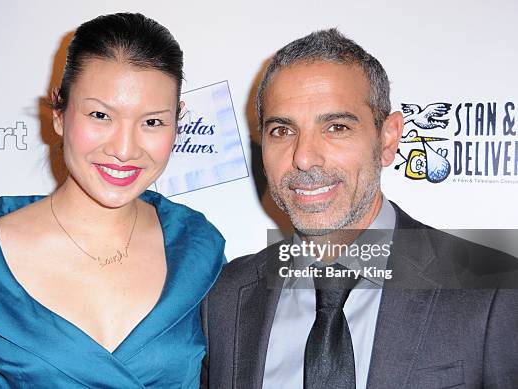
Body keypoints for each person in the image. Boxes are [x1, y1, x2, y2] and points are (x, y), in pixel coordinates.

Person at [0, 13, 224, 388]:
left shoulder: (198, 248)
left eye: (152, 122)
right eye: (99, 115)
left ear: (178, 122)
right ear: (59, 113)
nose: (124, 149)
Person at [201, 29, 518, 388]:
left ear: (388, 139)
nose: (304, 158)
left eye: (336, 127)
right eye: (282, 131)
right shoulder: (224, 298)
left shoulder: (495, 292)